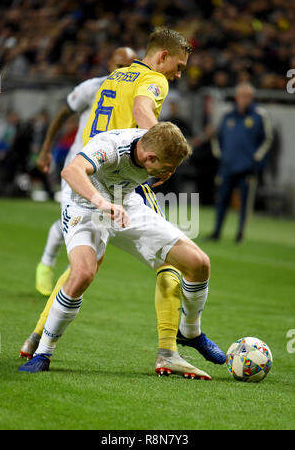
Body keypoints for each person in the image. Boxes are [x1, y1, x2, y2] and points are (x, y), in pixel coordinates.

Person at [20, 28, 225, 368]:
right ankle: (169, 350)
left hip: (105, 170)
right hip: (115, 174)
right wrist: (162, 146)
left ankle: (36, 337)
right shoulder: (155, 80)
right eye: (178, 66)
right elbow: (145, 109)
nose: (178, 74)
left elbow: (71, 113)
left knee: (82, 269)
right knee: (167, 266)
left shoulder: (114, 76)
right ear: (161, 56)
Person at [19, 122, 213, 379]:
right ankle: (43, 353)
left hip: (126, 203)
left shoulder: (153, 142)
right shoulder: (110, 147)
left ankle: (189, 332)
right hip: (85, 207)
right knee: (83, 273)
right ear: (150, 157)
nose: (171, 172)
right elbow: (71, 170)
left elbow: (151, 122)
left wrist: (163, 169)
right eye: (168, 167)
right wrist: (101, 203)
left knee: (199, 263)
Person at [35, 46, 137, 296]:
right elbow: (63, 113)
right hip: (79, 166)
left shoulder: (137, 93)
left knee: (95, 223)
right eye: (119, 64)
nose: (123, 70)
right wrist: (46, 148)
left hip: (111, 171)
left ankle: (73, 277)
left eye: (129, 66)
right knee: (76, 219)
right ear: (109, 63)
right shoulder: (91, 88)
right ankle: (47, 265)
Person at [210, 82, 273, 243]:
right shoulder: (228, 116)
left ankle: (240, 235)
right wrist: (221, 156)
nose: (244, 99)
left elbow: (267, 140)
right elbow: (217, 138)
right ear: (236, 97)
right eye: (242, 96)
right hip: (227, 166)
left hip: (247, 168)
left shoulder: (259, 116)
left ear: (252, 98)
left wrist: (255, 159)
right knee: (222, 200)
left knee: (245, 203)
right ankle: (216, 232)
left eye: (248, 96)